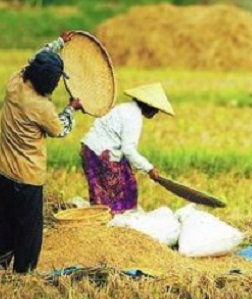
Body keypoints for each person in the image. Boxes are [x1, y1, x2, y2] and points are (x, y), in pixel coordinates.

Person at [0, 32, 83, 273]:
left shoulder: (15, 83)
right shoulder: (42, 108)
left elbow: (35, 58)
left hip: (3, 171)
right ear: (48, 84)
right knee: (29, 230)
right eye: (56, 81)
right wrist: (71, 108)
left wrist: (58, 43)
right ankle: (23, 274)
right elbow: (61, 129)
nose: (58, 84)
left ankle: (2, 263)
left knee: (5, 222)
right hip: (27, 178)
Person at [80, 83, 175, 214]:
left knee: (126, 183)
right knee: (114, 196)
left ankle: (115, 222)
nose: (157, 112)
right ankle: (111, 225)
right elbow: (128, 150)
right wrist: (149, 169)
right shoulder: (133, 117)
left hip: (92, 149)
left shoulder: (126, 108)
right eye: (156, 108)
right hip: (99, 153)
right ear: (148, 105)